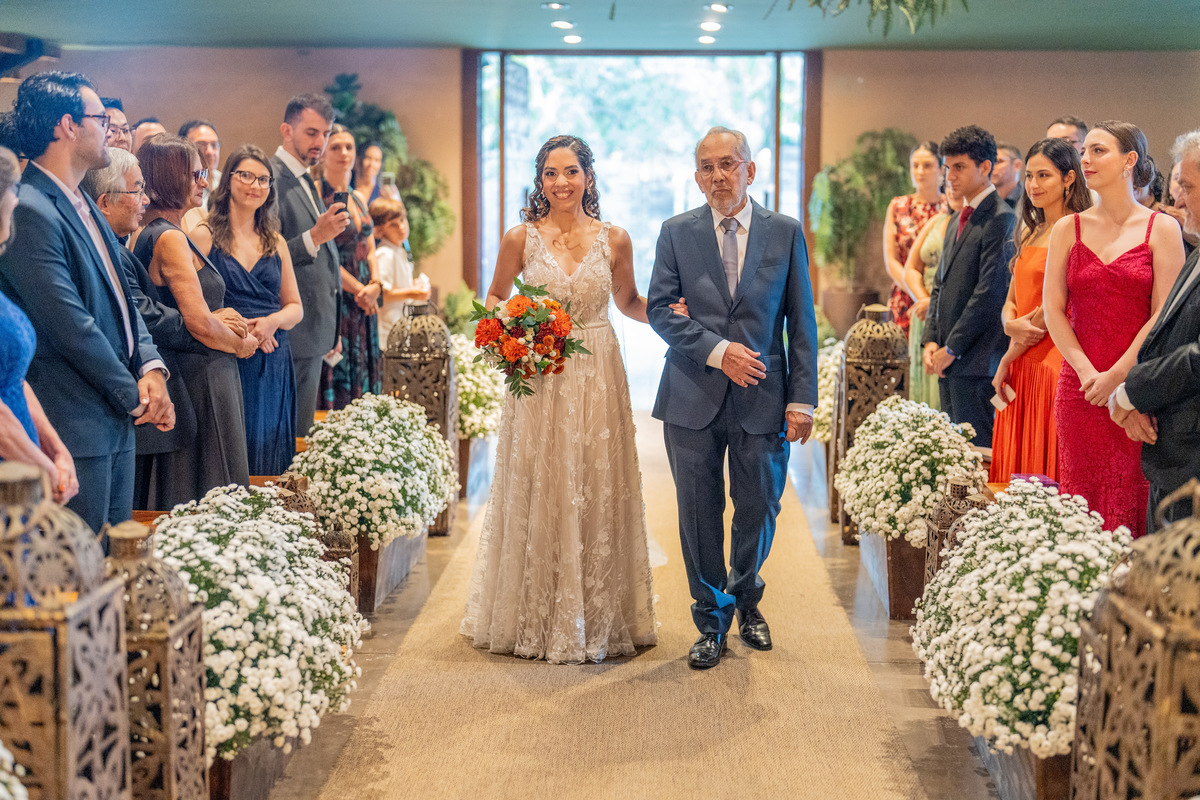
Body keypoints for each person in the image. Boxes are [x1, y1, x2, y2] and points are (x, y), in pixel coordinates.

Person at [461, 134, 658, 664]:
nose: (561, 182)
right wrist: (513, 328)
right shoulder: (519, 238)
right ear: (540, 180)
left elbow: (628, 301)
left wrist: (671, 315)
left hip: (597, 370)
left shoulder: (615, 239)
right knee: (542, 480)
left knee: (595, 479)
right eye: (551, 173)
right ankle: (537, 611)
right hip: (542, 375)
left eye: (571, 171)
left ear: (588, 178)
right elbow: (495, 297)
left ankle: (598, 613)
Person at [648, 126, 817, 670]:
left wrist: (802, 399)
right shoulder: (676, 232)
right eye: (707, 167)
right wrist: (719, 352)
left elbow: (802, 322)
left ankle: (746, 596)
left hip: (764, 396)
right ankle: (711, 617)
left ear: (750, 169)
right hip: (691, 395)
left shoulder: (784, 232)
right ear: (697, 177)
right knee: (698, 513)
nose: (718, 176)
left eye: (728, 164)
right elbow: (658, 310)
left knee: (759, 506)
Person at [0, 71, 173, 533]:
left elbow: (122, 298)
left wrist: (151, 367)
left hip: (113, 418)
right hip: (73, 420)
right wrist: (134, 396)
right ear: (67, 126)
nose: (112, 131)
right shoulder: (31, 207)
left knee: (118, 560)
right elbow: (70, 324)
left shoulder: (83, 199)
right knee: (80, 561)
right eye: (101, 120)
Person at [1044, 120, 1185, 539]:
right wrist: (1089, 374)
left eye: (1098, 151)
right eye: (1084, 152)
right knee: (1080, 505)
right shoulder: (1067, 228)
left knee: (1131, 503)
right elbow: (1053, 310)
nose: (1085, 160)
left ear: (1129, 160)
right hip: (1080, 389)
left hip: (1137, 389)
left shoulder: (1162, 228)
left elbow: (1163, 316)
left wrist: (1118, 376)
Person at [130, 134, 257, 507]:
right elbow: (199, 322)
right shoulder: (168, 238)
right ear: (169, 178)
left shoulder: (161, 232)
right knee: (209, 488)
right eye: (195, 174)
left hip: (200, 371)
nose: (204, 181)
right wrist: (242, 345)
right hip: (200, 377)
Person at [81, 146, 203, 509]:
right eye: (137, 191)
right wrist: (204, 329)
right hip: (112, 408)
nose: (145, 200)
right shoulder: (113, 248)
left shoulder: (116, 245)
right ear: (105, 202)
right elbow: (141, 314)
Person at [1110, 128, 1200, 532]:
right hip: (1172, 449)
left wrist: (1132, 391)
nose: (1177, 200)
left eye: (1188, 187)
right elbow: (1165, 330)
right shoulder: (1194, 247)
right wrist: (1138, 400)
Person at [192, 145, 302, 476]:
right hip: (225, 356)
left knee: (269, 455)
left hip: (272, 358)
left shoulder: (276, 241)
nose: (256, 185)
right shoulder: (203, 236)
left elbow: (295, 307)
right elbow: (191, 305)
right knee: (229, 453)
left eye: (263, 179)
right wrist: (237, 330)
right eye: (246, 176)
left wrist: (271, 323)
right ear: (228, 180)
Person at [989, 139, 1091, 483]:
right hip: (1021, 358)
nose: (1033, 184)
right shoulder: (1032, 230)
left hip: (1050, 360)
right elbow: (1011, 298)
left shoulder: (1077, 229)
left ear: (1069, 178)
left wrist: (1008, 354)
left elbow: (1053, 307)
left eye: (1044, 175)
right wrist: (1008, 325)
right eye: (1030, 176)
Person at [922, 125, 1016, 449]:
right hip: (949, 360)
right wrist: (931, 340)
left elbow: (990, 293)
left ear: (985, 167)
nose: (949, 176)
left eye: (959, 167)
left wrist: (952, 348)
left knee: (977, 457)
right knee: (954, 456)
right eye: (947, 167)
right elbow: (939, 285)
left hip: (977, 361)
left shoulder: (1001, 218)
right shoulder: (955, 218)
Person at [0, 145, 79, 504]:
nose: (15, 201)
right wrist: (40, 468)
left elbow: (13, 378)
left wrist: (53, 445)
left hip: (24, 460)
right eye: (11, 190)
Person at [270, 93, 347, 435]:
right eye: (312, 133)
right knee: (291, 434)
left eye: (325, 134)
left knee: (302, 432)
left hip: (315, 328)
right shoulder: (272, 179)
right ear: (287, 130)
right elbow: (264, 256)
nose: (320, 142)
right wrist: (315, 236)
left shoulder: (304, 177)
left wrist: (332, 326)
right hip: (292, 332)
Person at [315, 125, 381, 408]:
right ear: (322, 155)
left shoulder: (358, 198)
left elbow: (370, 246)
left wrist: (375, 285)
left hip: (366, 300)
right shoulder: (317, 196)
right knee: (339, 374)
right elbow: (322, 254)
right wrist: (359, 291)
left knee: (364, 369)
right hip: (338, 298)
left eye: (349, 147)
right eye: (335, 147)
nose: (344, 153)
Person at [902, 184, 962, 410]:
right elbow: (911, 268)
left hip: (949, 315)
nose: (952, 189)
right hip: (924, 313)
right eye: (948, 185)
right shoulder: (936, 221)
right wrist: (924, 300)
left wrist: (935, 306)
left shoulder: (974, 227)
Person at [882, 142, 943, 336]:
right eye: (915, 165)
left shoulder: (949, 207)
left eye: (927, 165)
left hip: (938, 298)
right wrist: (916, 292)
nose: (920, 171)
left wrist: (930, 299)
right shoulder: (898, 206)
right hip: (904, 295)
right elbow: (891, 261)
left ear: (941, 169)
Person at [370, 196, 430, 350]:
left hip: (399, 329)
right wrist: (412, 293)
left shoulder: (398, 251)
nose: (401, 227)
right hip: (387, 333)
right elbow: (381, 294)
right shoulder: (385, 254)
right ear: (379, 231)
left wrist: (413, 287)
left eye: (402, 220)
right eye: (393, 225)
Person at [180, 119, 222, 231]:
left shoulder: (225, 182)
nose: (210, 152)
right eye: (201, 145)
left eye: (214, 145)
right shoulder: (178, 188)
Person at [353, 141, 400, 207]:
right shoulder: (347, 186)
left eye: (377, 160)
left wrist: (391, 203)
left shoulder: (382, 190)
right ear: (358, 159)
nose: (372, 164)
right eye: (368, 158)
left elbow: (400, 212)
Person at [993, 143, 1024, 207]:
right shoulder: (985, 200)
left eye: (998, 161)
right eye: (990, 162)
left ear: (1017, 165)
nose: (991, 167)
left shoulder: (1030, 199)